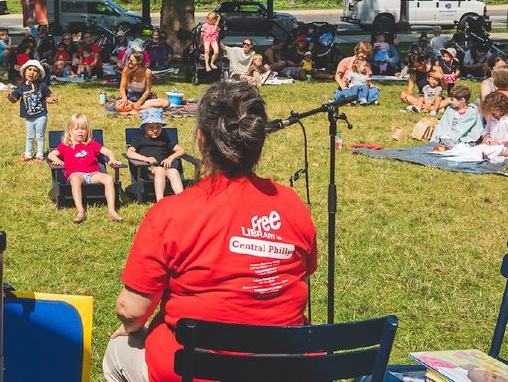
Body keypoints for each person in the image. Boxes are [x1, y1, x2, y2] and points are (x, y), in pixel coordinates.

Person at [102, 81, 318, 382]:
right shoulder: (292, 205)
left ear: (201, 140)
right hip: (281, 367)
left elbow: (131, 309)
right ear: (257, 142)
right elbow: (299, 286)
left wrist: (134, 324)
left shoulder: (170, 214)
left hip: (192, 368)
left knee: (116, 351)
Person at [46, 113, 123, 223]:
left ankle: (112, 212)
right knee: (75, 179)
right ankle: (80, 211)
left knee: (108, 178)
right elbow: (51, 154)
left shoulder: (92, 144)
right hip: (75, 174)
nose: (80, 131)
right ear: (70, 131)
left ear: (88, 131)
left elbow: (107, 151)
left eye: (83, 129)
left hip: (93, 174)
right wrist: (56, 159)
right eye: (76, 129)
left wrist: (112, 158)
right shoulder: (65, 146)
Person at [126, 109, 185, 202]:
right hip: (147, 170)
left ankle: (182, 200)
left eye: (158, 127)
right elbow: (129, 152)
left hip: (164, 169)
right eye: (151, 127)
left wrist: (170, 158)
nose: (155, 130)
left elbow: (181, 150)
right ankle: (160, 200)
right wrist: (146, 159)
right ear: (144, 127)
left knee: (173, 171)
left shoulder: (164, 139)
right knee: (160, 170)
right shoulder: (139, 139)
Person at [8, 60, 57, 163]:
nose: (32, 72)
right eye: (29, 69)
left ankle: (39, 155)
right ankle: (28, 154)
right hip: (29, 117)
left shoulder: (42, 86)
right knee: (30, 136)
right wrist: (9, 97)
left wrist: (51, 100)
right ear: (25, 71)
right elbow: (14, 100)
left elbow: (47, 98)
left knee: (40, 136)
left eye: (35, 71)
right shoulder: (21, 87)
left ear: (38, 74)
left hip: (41, 116)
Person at [480, 91, 508, 159]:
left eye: (494, 111)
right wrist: (487, 137)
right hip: (494, 145)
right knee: (480, 149)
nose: (492, 113)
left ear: (501, 107)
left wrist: (499, 142)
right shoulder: (493, 118)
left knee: (488, 152)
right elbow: (487, 130)